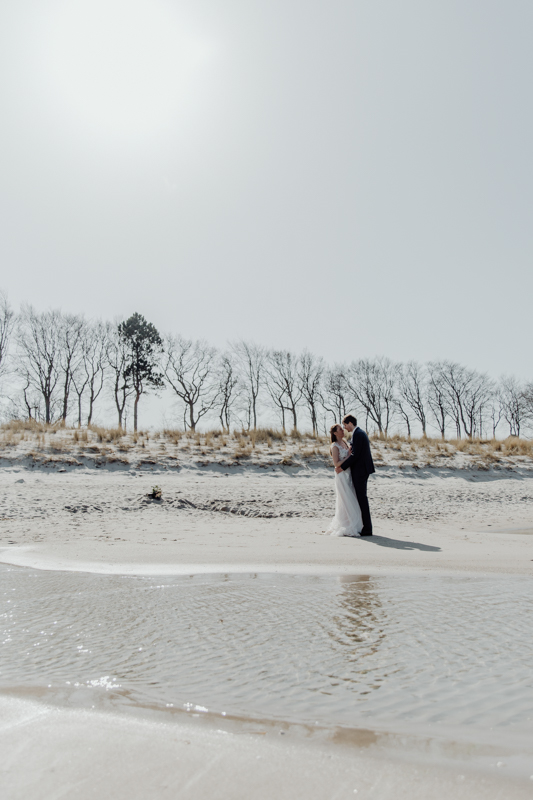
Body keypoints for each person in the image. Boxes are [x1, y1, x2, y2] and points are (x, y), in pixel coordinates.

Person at [335, 414, 375, 536]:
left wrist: (342, 467)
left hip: (361, 471)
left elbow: (355, 455)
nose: (345, 428)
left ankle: (367, 528)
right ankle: (364, 526)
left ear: (351, 423)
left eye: (345, 425)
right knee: (361, 498)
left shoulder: (358, 434)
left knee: (362, 499)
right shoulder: (359, 433)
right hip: (362, 470)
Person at [325, 423, 363, 537]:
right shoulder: (335, 446)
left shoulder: (345, 442)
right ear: (335, 433)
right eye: (340, 429)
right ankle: (346, 524)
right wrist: (348, 457)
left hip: (349, 474)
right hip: (341, 475)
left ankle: (353, 523)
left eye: (342, 429)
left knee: (352, 498)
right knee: (345, 499)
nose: (343, 431)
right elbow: (336, 463)